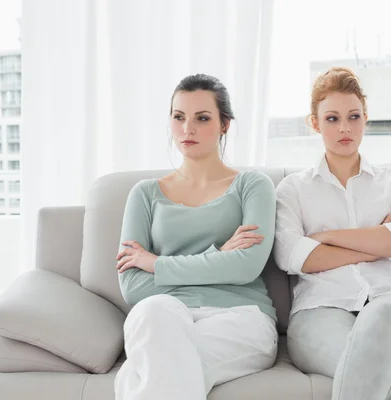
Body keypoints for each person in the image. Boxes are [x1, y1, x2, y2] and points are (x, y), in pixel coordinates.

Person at [114, 74, 278, 400]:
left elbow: (246, 267)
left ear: (224, 125)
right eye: (179, 117)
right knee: (151, 313)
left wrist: (157, 264)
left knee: (147, 371)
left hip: (241, 318)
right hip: (163, 316)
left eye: (202, 118)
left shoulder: (253, 186)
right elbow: (132, 286)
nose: (187, 128)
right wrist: (219, 257)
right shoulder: (144, 194)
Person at [274, 67, 391, 400]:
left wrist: (325, 238)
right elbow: (292, 255)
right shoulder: (293, 189)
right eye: (332, 118)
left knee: (381, 315)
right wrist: (376, 241)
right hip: (319, 311)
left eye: (354, 116)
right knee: (385, 369)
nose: (345, 127)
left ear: (366, 118)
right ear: (315, 123)